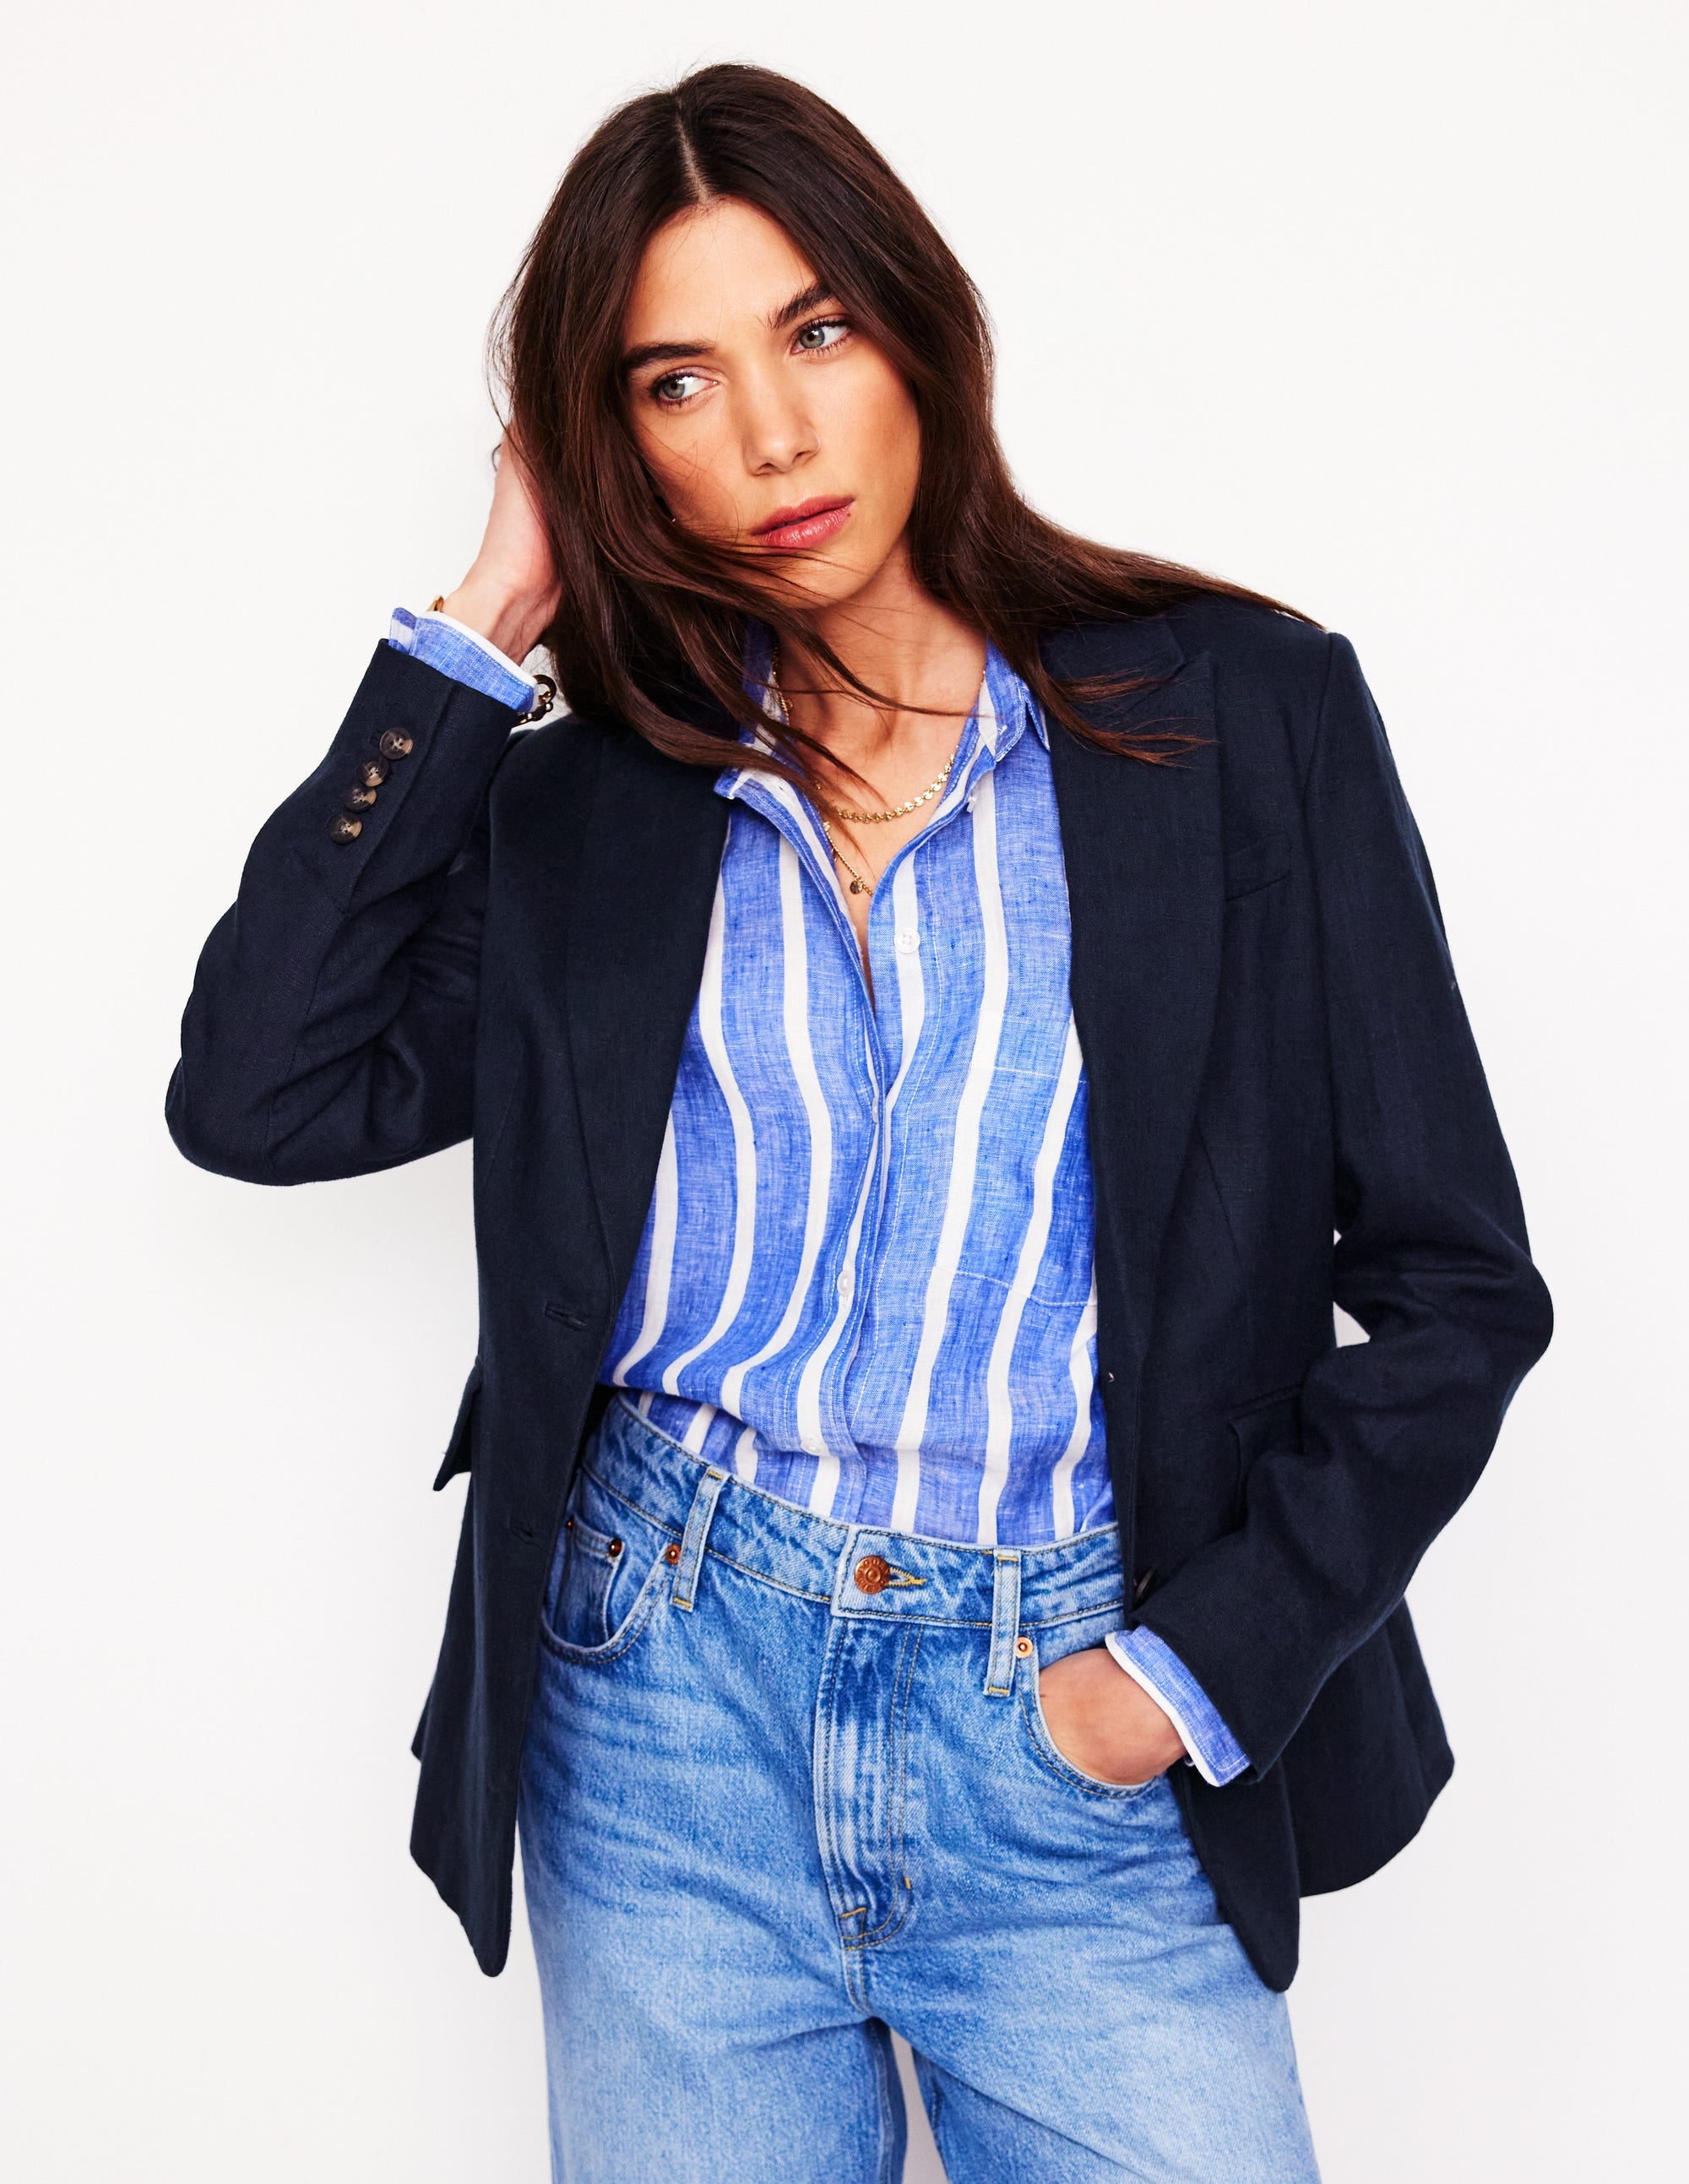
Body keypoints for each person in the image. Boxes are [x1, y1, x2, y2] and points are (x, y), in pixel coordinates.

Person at [167, 62, 1551, 2184]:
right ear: (611, 441)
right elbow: (259, 1092)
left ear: (919, 329)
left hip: (1074, 1712)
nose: (772, 437)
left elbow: (1458, 1285)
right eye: (675, 382)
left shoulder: (1235, 717)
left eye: (813, 331)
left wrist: (1183, 1674)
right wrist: (488, 617)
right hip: (664, 1709)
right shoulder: (590, 807)